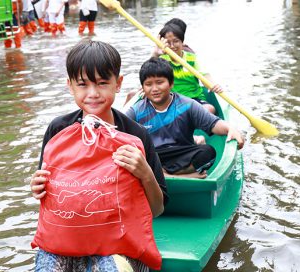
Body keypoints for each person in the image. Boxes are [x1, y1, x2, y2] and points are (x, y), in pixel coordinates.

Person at [30, 40, 168, 271]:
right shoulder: (58, 131)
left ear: (118, 83)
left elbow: (157, 209)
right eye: (83, 84)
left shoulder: (136, 135)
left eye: (103, 83)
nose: (93, 94)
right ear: (70, 86)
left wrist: (145, 174)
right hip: (67, 242)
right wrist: (37, 188)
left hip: (119, 244)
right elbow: (51, 200)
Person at [126, 57, 244, 179]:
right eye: (148, 84)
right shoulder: (137, 110)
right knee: (137, 155)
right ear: (143, 88)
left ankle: (166, 175)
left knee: (208, 152)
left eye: (160, 82)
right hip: (154, 156)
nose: (154, 89)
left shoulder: (187, 105)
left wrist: (231, 129)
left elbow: (214, 124)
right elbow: (117, 132)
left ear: (171, 84)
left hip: (181, 153)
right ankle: (177, 176)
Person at [158, 22, 223, 114]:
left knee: (210, 109)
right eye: (168, 43)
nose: (172, 46)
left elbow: (204, 75)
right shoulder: (162, 60)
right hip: (173, 101)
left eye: (176, 41)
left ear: (182, 42)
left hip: (195, 99)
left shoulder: (192, 58)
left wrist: (213, 85)